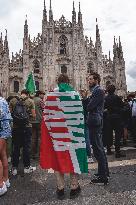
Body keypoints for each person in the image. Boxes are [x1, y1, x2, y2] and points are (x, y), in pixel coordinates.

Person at [40, 74, 88, 200]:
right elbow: (80, 117)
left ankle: (60, 188)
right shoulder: (75, 95)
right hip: (74, 135)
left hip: (57, 135)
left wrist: (50, 134)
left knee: (58, 158)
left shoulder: (50, 96)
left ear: (57, 82)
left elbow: (46, 118)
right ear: (68, 81)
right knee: (74, 157)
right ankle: (74, 187)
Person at [87, 72, 109, 185]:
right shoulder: (97, 91)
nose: (89, 81)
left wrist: (88, 102)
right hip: (96, 120)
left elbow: (90, 106)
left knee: (98, 149)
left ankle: (103, 177)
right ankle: (104, 172)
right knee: (99, 148)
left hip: (95, 121)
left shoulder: (98, 90)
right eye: (88, 79)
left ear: (96, 80)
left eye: (90, 79)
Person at [9, 89, 36, 175]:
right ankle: (26, 167)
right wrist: (28, 116)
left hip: (16, 127)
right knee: (26, 148)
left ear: (21, 94)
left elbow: (9, 113)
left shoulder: (13, 100)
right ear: (28, 94)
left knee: (16, 147)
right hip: (26, 127)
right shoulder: (30, 101)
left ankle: (14, 169)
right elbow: (34, 116)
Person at [104, 85, 126, 158]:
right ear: (114, 90)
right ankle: (117, 152)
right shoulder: (117, 97)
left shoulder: (106, 98)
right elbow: (123, 106)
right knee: (117, 135)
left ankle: (109, 150)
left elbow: (104, 108)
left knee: (108, 135)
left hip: (109, 118)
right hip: (117, 118)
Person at [0, 92, 12, 196]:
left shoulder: (0, 102)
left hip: (1, 131)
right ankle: (6, 179)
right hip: (5, 131)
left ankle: (0, 185)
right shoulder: (3, 100)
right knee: (3, 155)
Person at [80, 89, 94, 163]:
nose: (81, 94)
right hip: (83, 121)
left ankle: (89, 155)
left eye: (82, 93)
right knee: (85, 139)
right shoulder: (85, 101)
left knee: (86, 139)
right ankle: (87, 155)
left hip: (84, 121)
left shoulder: (86, 101)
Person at [31, 90, 45, 159]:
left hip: (32, 121)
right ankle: (39, 154)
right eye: (43, 94)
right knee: (40, 137)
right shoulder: (40, 101)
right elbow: (44, 109)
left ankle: (32, 154)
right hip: (39, 121)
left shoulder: (31, 100)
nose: (43, 96)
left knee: (33, 138)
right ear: (39, 94)